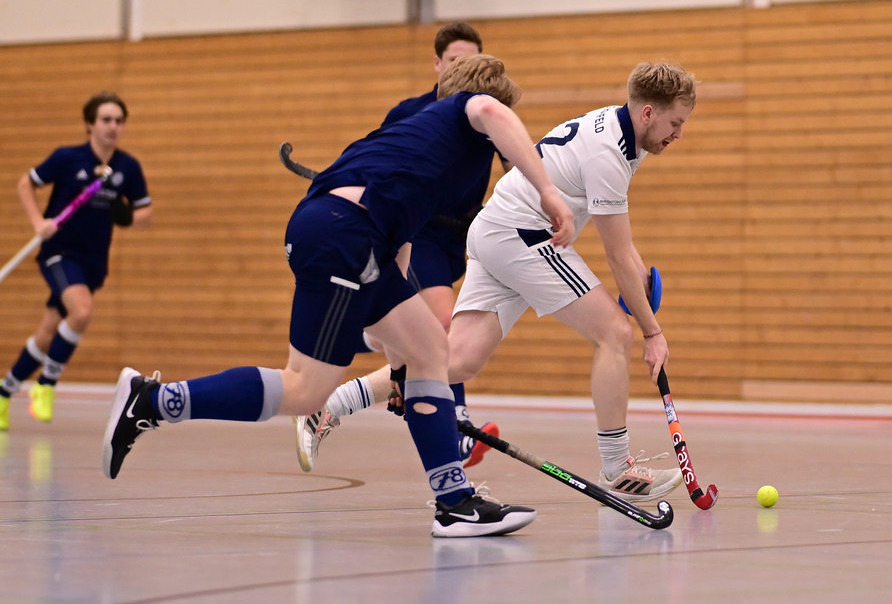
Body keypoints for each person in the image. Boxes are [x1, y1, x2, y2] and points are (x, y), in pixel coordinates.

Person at [101, 54, 576, 538]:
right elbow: (492, 113)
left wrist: (399, 368)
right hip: (343, 235)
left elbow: (402, 254)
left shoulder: (424, 147)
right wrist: (549, 193)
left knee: (431, 350)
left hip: (358, 239)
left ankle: (455, 504)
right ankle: (154, 400)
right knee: (306, 387)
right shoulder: (467, 112)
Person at [445, 61, 697, 502]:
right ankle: (618, 468)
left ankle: (336, 403)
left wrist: (638, 274)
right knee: (615, 334)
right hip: (521, 235)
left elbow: (626, 250)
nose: (679, 134)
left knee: (458, 360)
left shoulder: (618, 132)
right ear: (648, 114)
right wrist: (651, 332)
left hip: (496, 227)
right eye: (675, 123)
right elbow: (615, 254)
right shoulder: (610, 155)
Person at [295, 22, 504, 473]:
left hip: (458, 239)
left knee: (430, 341)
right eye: (454, 61)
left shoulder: (486, 112)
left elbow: (514, 165)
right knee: (441, 326)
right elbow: (381, 159)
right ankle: (455, 423)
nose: (462, 69)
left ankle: (344, 384)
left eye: (471, 61)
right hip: (419, 229)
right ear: (438, 65)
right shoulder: (414, 112)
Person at [0, 92, 152, 432]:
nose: (113, 126)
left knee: (47, 331)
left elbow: (146, 213)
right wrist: (38, 222)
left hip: (94, 262)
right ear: (90, 124)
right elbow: (26, 183)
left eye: (118, 121)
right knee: (81, 313)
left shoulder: (127, 166)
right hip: (59, 253)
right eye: (106, 120)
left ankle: (3, 392)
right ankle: (46, 386)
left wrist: (126, 216)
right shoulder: (68, 158)